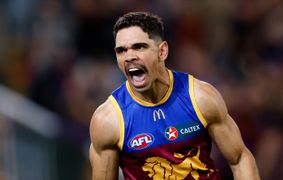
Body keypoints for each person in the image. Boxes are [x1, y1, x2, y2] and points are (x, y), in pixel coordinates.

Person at [89, 11, 260, 180]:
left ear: (162, 51)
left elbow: (239, 159)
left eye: (139, 47)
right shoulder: (108, 120)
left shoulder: (200, 97)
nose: (129, 57)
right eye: (121, 51)